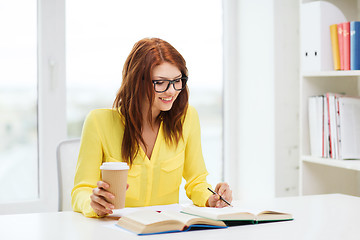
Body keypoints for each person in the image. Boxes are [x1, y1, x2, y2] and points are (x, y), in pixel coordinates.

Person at [71, 37, 232, 217]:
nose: (171, 91)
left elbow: (196, 181)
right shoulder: (98, 122)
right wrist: (93, 203)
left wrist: (212, 198)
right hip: (117, 228)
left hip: (166, 228)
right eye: (160, 82)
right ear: (136, 81)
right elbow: (81, 190)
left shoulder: (187, 118)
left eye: (177, 81)